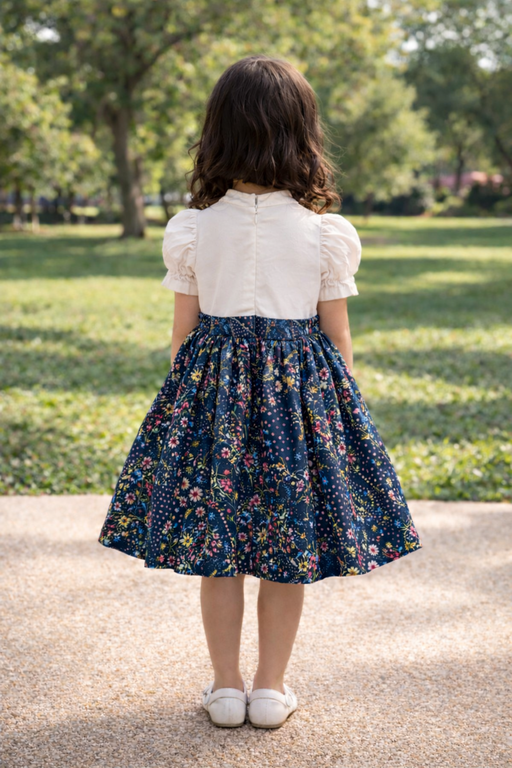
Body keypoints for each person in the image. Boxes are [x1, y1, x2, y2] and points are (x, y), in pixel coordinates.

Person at [98, 55, 422, 730]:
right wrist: (341, 417)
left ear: (218, 134)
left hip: (212, 404)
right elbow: (337, 339)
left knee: (221, 547)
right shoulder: (325, 233)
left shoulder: (191, 228)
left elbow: (182, 337)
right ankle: (269, 689)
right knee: (286, 545)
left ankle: (225, 687)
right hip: (296, 408)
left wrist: (184, 411)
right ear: (300, 134)